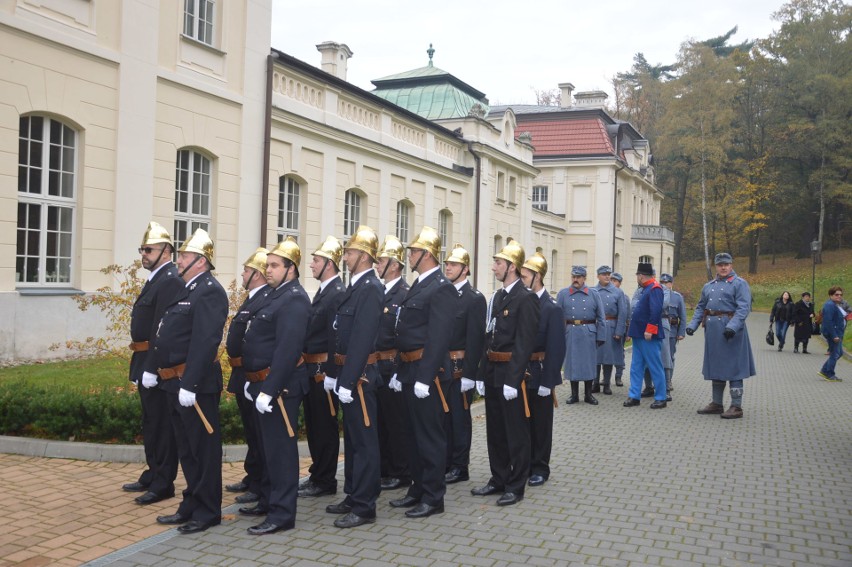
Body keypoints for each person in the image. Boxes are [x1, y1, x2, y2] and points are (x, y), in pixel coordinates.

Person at [147, 228, 228, 534]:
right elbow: (167, 330)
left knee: (202, 450)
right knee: (186, 449)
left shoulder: (210, 290)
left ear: (200, 261)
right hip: (174, 382)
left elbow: (205, 342)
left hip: (195, 385)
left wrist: (190, 384)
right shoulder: (187, 288)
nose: (178, 260)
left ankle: (208, 511)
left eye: (183, 256)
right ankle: (191, 503)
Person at [241, 237, 311, 535]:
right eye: (267, 265)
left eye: (273, 265)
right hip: (263, 383)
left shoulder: (294, 298)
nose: (267, 270)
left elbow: (288, 349)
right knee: (269, 449)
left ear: (290, 269)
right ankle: (269, 501)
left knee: (281, 452)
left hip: (280, 389)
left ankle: (282, 514)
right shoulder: (275, 295)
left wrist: (269, 388)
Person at [391, 226, 459, 518]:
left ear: (427, 255)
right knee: (412, 435)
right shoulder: (419, 284)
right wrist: (399, 369)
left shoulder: (440, 287)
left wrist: (424, 376)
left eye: (414, 252)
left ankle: (433, 497)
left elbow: (438, 336)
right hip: (409, 368)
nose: (410, 256)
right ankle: (417, 488)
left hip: (426, 374)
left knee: (430, 437)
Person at [471, 240, 539, 506]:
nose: (493, 267)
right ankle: (498, 478)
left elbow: (525, 342)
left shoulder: (526, 298)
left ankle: (515, 485)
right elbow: (488, 336)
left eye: (498, 263)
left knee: (516, 432)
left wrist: (514, 378)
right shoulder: (498, 297)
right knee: (495, 430)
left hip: (511, 374)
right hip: (493, 371)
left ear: (512, 267)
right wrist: (480, 373)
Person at [325, 226, 384, 528]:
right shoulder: (357, 286)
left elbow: (362, 338)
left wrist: (348, 380)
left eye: (348, 253)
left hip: (359, 379)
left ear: (363, 256)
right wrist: (336, 375)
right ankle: (354, 494)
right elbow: (341, 335)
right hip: (349, 374)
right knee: (354, 441)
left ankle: (364, 506)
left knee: (364, 444)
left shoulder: (371, 288)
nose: (345, 257)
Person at [124, 222, 182, 504]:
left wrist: (151, 367)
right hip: (144, 358)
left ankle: (163, 481)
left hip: (155, 363)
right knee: (150, 421)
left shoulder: (170, 279)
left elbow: (163, 328)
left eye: (148, 249)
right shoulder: (157, 278)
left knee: (161, 424)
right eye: (142, 249)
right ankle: (153, 470)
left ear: (166, 251)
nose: (143, 254)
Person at [299, 236, 346, 499]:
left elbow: (334, 336)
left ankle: (326, 481)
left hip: (322, 372)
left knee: (324, 428)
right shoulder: (325, 291)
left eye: (316, 260)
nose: (312, 265)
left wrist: (331, 373)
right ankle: (318, 473)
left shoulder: (336, 294)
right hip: (312, 370)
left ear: (329, 263)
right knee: (315, 426)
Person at [223, 248, 270, 506]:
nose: (243, 273)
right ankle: (252, 475)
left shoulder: (264, 298)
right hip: (242, 372)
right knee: (250, 431)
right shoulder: (252, 297)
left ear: (258, 274)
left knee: (257, 431)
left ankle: (259, 481)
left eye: (247, 270)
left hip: (253, 372)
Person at [686, 252, 756, 419]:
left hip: (732, 332)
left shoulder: (740, 284)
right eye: (720, 265)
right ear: (716, 266)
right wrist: (692, 325)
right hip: (713, 332)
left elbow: (743, 308)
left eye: (726, 264)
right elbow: (700, 307)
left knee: (734, 367)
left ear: (731, 265)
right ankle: (717, 404)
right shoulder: (709, 286)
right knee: (716, 366)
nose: (723, 267)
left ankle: (736, 406)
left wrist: (732, 326)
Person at [519, 251, 564, 488]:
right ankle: (525, 464)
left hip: (540, 372)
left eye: (525, 276)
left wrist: (549, 381)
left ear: (537, 277)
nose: (522, 280)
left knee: (541, 424)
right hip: (521, 373)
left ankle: (540, 467)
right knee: (523, 424)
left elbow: (556, 348)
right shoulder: (522, 302)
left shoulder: (551, 308)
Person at [443, 243, 486, 486]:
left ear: (465, 269)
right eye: (447, 263)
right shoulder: (444, 293)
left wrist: (470, 373)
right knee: (443, 417)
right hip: (442, 367)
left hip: (461, 369)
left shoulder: (474, 299)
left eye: (454, 264)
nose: (448, 267)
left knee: (459, 418)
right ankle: (447, 462)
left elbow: (476, 338)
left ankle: (460, 466)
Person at [374, 236, 412, 491]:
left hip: (393, 365)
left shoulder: (404, 294)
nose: (377, 265)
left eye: (382, 261)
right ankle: (384, 468)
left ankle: (401, 472)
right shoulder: (377, 292)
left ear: (395, 266)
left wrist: (399, 370)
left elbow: (404, 336)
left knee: (396, 422)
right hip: (376, 364)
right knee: (380, 421)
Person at [556, 266, 605, 405]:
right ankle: (574, 394)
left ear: (584, 278)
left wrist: (601, 336)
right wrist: (558, 335)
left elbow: (601, 317)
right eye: (573, 277)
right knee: (572, 363)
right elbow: (557, 316)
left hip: (588, 331)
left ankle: (588, 394)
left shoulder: (593, 294)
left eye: (578, 277)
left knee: (588, 364)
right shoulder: (563, 294)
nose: (575, 280)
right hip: (571, 331)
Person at [623, 263, 667, 409]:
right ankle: (634, 396)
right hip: (639, 334)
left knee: (655, 366)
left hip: (648, 335)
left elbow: (656, 310)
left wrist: (650, 329)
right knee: (636, 367)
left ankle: (661, 397)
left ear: (641, 276)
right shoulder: (646, 288)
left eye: (637, 276)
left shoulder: (654, 288)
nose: (637, 278)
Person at [591, 266, 627, 396]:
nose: (606, 277)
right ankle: (595, 383)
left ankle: (606, 383)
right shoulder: (593, 291)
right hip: (596, 326)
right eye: (603, 274)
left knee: (608, 358)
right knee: (596, 357)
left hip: (611, 327)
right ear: (598, 276)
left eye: (608, 274)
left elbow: (623, 313)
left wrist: (619, 331)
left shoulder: (618, 292)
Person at [661, 273, 686, 394]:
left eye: (667, 283)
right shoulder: (657, 294)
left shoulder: (677, 297)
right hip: (659, 329)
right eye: (662, 282)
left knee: (669, 356)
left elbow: (683, 316)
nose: (664, 285)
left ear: (671, 284)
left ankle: (668, 380)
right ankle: (659, 381)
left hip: (672, 331)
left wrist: (681, 332)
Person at [818, 286, 846, 382]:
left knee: (839, 353)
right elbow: (828, 321)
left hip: (837, 333)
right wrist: (834, 335)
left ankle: (824, 370)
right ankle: (829, 374)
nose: (839, 296)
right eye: (836, 294)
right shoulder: (829, 305)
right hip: (833, 334)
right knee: (835, 353)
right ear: (830, 295)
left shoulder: (835, 305)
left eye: (840, 295)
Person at [610, 272, 629, 387]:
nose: (612, 283)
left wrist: (627, 333)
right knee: (606, 352)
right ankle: (605, 377)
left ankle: (618, 376)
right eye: (611, 280)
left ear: (619, 283)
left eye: (615, 281)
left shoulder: (624, 297)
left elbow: (628, 316)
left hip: (620, 327)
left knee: (619, 353)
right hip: (609, 327)